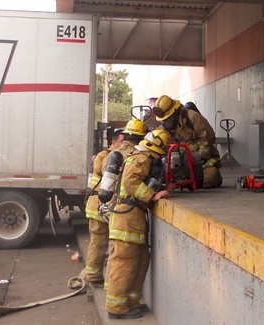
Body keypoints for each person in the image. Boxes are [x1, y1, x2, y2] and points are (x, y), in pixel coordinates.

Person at [104, 129, 172, 319]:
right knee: (124, 262)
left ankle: (131, 302)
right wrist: (152, 195)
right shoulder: (142, 158)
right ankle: (116, 308)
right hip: (127, 217)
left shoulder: (141, 156)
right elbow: (130, 182)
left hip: (133, 217)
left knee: (140, 259)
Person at [83, 120, 146, 288]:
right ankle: (96, 277)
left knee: (101, 242)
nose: (122, 143)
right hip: (101, 203)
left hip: (98, 203)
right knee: (103, 243)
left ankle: (95, 275)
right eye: (119, 140)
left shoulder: (109, 154)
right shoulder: (110, 156)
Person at [153, 95, 222, 188]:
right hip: (179, 165)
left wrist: (196, 160)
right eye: (163, 120)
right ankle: (184, 182)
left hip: (202, 162)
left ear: (174, 113)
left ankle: (187, 182)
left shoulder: (192, 117)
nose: (164, 122)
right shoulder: (164, 128)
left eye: (167, 119)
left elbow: (208, 138)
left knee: (212, 175)